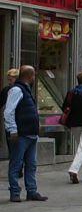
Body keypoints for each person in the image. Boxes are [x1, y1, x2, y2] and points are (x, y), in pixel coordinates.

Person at [5, 66, 47, 202]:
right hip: (22, 133)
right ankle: (15, 192)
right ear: (30, 76)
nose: (34, 78)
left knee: (31, 164)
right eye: (34, 76)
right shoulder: (17, 90)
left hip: (31, 133)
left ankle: (32, 191)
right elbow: (8, 111)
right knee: (16, 164)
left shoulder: (26, 90)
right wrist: (13, 129)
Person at [1, 69, 19, 176]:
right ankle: (15, 169)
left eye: (11, 79)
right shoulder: (7, 90)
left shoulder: (20, 90)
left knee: (16, 149)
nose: (9, 82)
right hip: (11, 123)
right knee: (13, 148)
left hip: (18, 123)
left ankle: (17, 168)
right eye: (9, 79)